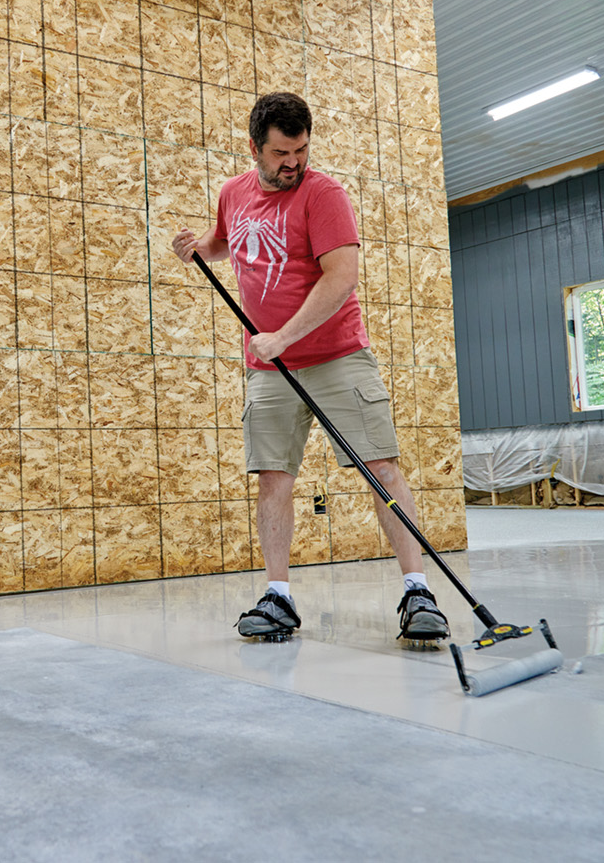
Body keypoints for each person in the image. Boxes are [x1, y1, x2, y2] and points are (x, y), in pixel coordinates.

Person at [171, 92, 449, 644]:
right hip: (269, 368)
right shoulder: (233, 193)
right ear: (255, 148)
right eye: (280, 153)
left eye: (300, 151)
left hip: (336, 356)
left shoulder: (323, 195)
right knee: (273, 476)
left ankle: (417, 591)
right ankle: (278, 597)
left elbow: (340, 277)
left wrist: (282, 337)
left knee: (381, 467)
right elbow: (225, 241)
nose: (292, 163)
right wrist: (196, 247)